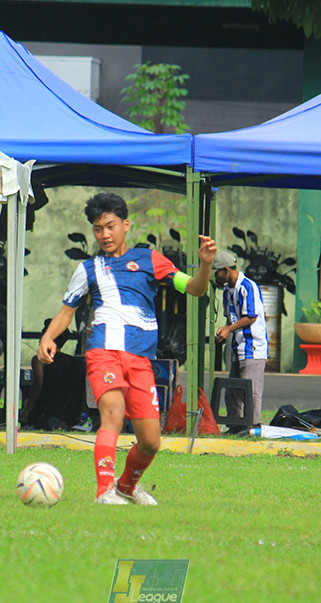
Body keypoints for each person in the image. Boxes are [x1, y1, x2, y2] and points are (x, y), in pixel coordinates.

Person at [38, 192, 216, 505]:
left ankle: (126, 487)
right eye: (97, 228)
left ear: (126, 225)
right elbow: (66, 311)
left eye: (110, 226)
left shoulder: (150, 259)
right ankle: (104, 490)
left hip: (141, 360)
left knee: (151, 441)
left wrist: (205, 265)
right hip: (103, 352)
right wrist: (48, 338)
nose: (104, 234)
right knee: (113, 416)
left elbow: (195, 289)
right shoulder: (88, 268)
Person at [213, 250, 268, 429]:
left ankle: (252, 427)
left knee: (251, 392)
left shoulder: (247, 286)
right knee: (233, 392)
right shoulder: (228, 290)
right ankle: (235, 426)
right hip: (238, 347)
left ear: (226, 270)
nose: (216, 276)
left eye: (217, 272)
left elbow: (251, 316)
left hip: (253, 347)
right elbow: (232, 318)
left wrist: (228, 329)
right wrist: (225, 329)